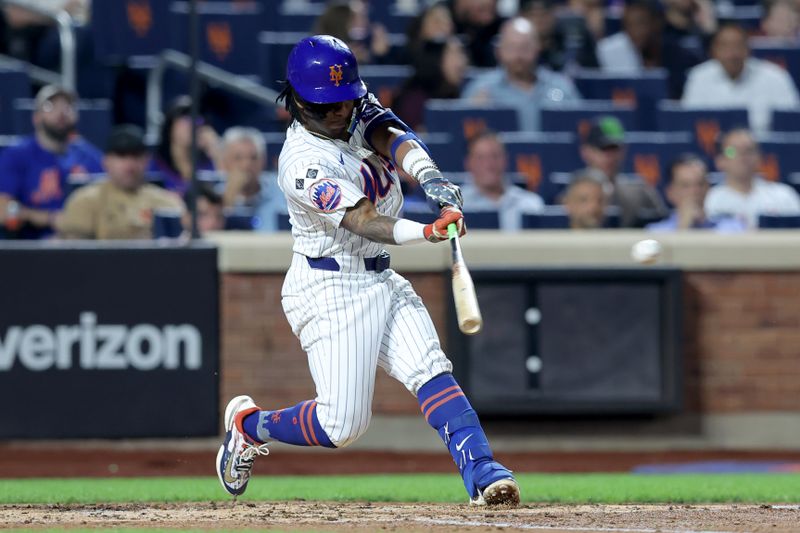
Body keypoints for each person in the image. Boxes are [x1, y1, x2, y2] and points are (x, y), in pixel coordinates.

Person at [216, 35, 520, 507]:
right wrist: (428, 233)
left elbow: (390, 134)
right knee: (343, 427)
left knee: (431, 369)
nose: (340, 113)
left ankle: (482, 470)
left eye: (344, 103)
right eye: (327, 106)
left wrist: (433, 179)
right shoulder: (301, 163)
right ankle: (248, 425)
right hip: (329, 285)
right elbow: (363, 220)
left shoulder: (351, 102)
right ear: (297, 101)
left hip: (378, 276)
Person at [0, 84, 103, 239]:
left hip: (82, 243)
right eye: (50, 107)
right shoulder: (16, 155)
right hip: (31, 246)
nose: (61, 113)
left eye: (68, 107)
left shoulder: (89, 156)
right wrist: (49, 218)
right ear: (36, 117)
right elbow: (3, 211)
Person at [55, 124, 185, 240]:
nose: (129, 165)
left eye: (135, 156)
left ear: (146, 161)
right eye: (121, 156)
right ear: (106, 161)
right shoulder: (85, 201)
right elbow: (73, 257)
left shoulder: (167, 203)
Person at [461, 17, 581, 131]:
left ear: (538, 47)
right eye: (511, 47)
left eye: (525, 47)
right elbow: (463, 132)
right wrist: (477, 113)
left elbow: (581, 127)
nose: (518, 55)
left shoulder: (561, 87)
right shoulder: (481, 89)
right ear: (498, 50)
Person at [681, 22, 800, 133]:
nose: (732, 53)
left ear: (748, 49)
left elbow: (790, 123)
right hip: (712, 150)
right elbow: (690, 122)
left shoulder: (775, 77)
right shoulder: (698, 77)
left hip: (763, 151)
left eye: (738, 46)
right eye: (725, 46)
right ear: (713, 51)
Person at [572, 116, 668, 227]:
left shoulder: (640, 191)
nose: (609, 156)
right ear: (585, 152)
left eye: (614, 149)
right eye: (602, 149)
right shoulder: (572, 191)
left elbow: (664, 227)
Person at [596, 0, 702, 98]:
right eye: (628, 25)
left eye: (640, 23)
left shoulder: (679, 56)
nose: (634, 31)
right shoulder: (613, 52)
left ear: (656, 23)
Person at [704, 128, 800, 228]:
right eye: (732, 151)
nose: (742, 155)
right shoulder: (710, 199)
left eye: (749, 150)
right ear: (719, 161)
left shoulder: (784, 196)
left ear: (759, 158)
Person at [459, 130, 544, 230]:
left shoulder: (530, 204)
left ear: (505, 160)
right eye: (481, 158)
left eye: (495, 156)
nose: (489, 164)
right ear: (468, 163)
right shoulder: (455, 207)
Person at [647, 153, 746, 232]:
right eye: (685, 186)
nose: (694, 191)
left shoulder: (733, 229)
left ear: (708, 189)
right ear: (670, 193)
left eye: (700, 184)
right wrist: (683, 227)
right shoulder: (655, 232)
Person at [219, 126, 287, 233]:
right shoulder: (214, 196)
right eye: (238, 158)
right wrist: (228, 200)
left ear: (263, 161)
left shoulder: (283, 189)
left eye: (253, 158)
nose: (246, 165)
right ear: (225, 163)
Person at [392, 37, 468, 131]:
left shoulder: (454, 93)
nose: (463, 61)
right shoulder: (414, 100)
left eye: (462, 53)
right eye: (454, 54)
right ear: (436, 59)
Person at [150, 96, 219, 196]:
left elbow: (216, 197)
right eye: (186, 119)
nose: (192, 126)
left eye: (198, 120)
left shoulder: (207, 161)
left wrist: (215, 151)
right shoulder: (155, 163)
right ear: (170, 126)